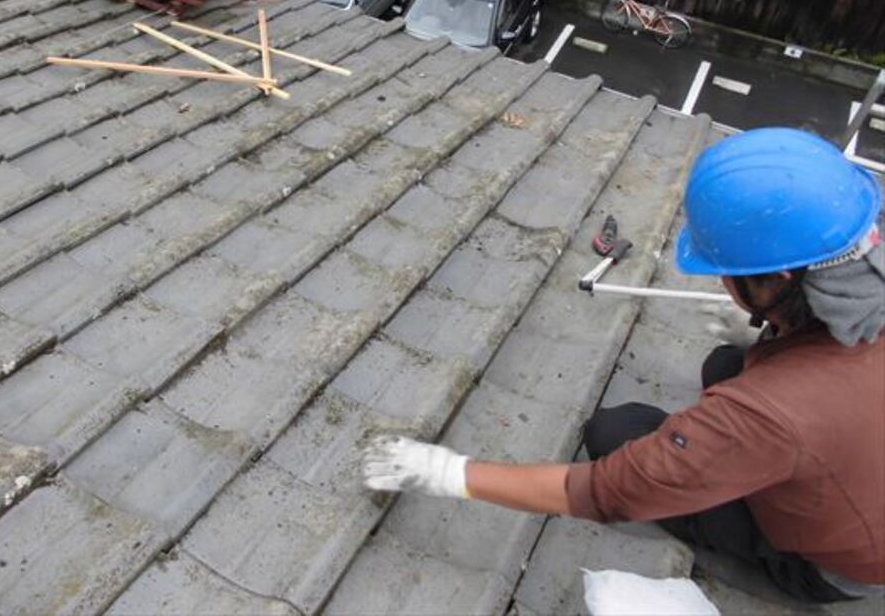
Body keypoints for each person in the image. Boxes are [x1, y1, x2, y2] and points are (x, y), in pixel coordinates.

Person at [363, 128, 885, 603]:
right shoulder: (861, 272)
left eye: (729, 270)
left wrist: (449, 472)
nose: (721, 280)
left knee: (617, 429)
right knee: (728, 363)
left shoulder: (767, 413)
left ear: (778, 282)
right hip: (856, 461)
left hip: (838, 565)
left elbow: (607, 490)